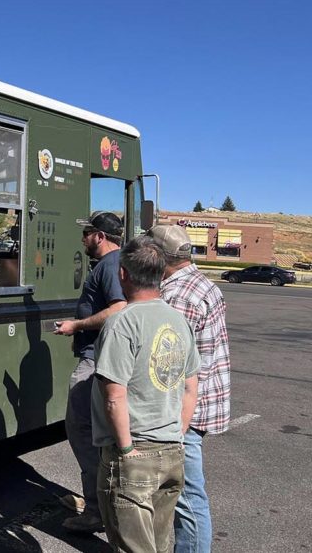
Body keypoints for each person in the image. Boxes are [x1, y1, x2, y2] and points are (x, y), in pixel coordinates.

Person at [92, 235, 199, 553]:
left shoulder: (120, 324)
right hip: (171, 451)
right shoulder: (179, 321)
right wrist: (177, 433)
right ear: (161, 273)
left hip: (134, 451)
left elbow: (114, 396)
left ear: (123, 274)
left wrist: (125, 450)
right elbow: (191, 385)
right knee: (161, 544)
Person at [148, 225, 230, 553]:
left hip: (186, 410)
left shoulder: (178, 295)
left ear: (160, 256)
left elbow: (168, 363)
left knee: (187, 497)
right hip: (203, 402)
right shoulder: (201, 283)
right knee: (183, 493)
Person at [54, 211, 127, 532]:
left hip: (95, 360)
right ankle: (100, 498)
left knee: (82, 429)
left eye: (86, 233)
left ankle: (97, 510)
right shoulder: (115, 263)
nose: (82, 239)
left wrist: (78, 324)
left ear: (99, 236)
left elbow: (118, 309)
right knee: (94, 433)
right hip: (98, 356)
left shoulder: (110, 266)